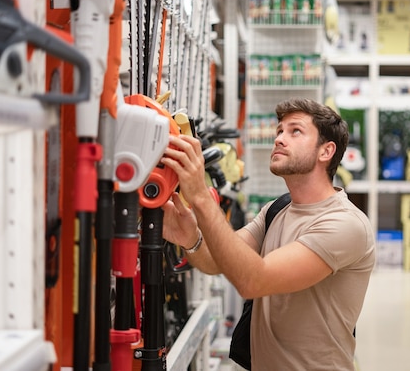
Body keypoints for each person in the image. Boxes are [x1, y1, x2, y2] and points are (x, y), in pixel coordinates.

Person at [160, 97, 375, 370]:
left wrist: (201, 196)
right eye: (279, 131)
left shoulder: (344, 224)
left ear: (326, 151)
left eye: (295, 131)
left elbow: (253, 281)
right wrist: (191, 238)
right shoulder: (277, 210)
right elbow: (216, 262)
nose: (280, 139)